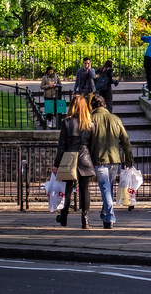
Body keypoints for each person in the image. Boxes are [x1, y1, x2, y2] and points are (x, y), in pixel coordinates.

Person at [89, 94, 134, 229]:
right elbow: (125, 141)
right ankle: (105, 214)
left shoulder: (91, 119)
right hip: (115, 159)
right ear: (105, 105)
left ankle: (109, 217)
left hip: (99, 158)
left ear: (92, 107)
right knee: (107, 188)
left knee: (105, 188)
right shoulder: (115, 119)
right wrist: (129, 159)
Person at [53, 95, 96, 229]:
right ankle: (85, 219)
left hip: (69, 158)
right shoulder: (90, 124)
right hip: (85, 158)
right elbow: (92, 146)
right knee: (85, 191)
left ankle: (64, 215)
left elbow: (61, 146)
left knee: (68, 189)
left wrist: (56, 164)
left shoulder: (66, 122)